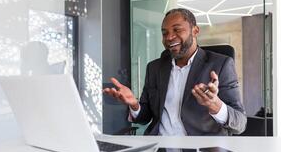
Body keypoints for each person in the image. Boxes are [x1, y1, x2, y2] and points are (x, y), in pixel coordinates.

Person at [103, 8, 247, 136]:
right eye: (165, 33)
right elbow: (145, 117)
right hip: (159, 149)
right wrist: (134, 104)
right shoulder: (154, 68)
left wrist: (216, 105)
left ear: (195, 31)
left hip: (200, 149)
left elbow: (240, 123)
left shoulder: (221, 65)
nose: (169, 37)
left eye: (177, 30)